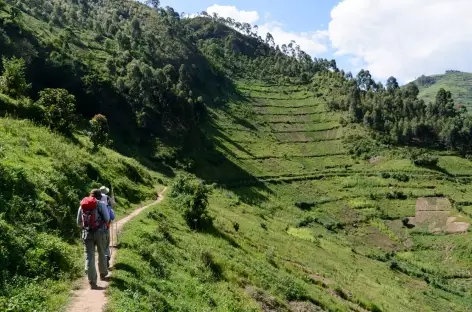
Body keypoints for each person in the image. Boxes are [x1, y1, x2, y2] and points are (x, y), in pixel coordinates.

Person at [77, 189, 110, 289]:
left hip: (87, 233)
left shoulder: (83, 204)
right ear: (99, 196)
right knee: (102, 252)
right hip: (100, 232)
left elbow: (78, 222)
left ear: (90, 195)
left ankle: (92, 280)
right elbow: (107, 218)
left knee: (89, 256)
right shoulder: (100, 204)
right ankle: (103, 273)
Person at [99, 186, 115, 268]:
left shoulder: (96, 203)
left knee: (99, 246)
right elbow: (112, 217)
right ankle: (107, 257)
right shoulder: (107, 202)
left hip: (95, 228)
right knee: (106, 244)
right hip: (106, 226)